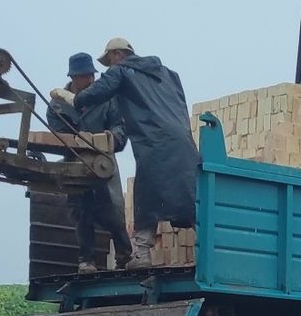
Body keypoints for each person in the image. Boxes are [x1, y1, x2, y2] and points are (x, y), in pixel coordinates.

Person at [50, 38, 199, 269]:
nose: (108, 68)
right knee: (191, 195)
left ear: (118, 54)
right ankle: (213, 252)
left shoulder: (121, 72)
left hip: (143, 146)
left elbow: (97, 103)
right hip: (181, 141)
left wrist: (70, 98)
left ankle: (139, 254)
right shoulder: (169, 74)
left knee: (145, 193)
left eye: (109, 62)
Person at [47, 52, 132, 273]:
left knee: (112, 208)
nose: (91, 80)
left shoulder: (106, 98)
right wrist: (77, 140)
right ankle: (87, 260)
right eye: (86, 76)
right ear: (74, 78)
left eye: (92, 75)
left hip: (103, 162)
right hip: (75, 163)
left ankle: (125, 254)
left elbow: (120, 126)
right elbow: (57, 133)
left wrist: (110, 138)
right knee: (80, 210)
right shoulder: (58, 105)